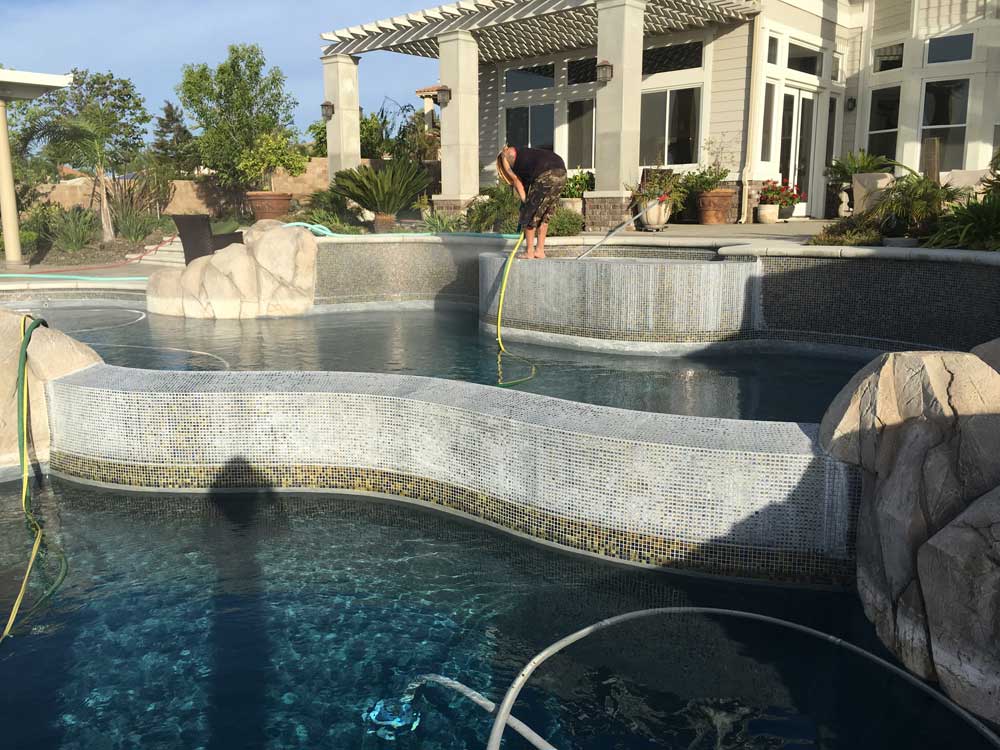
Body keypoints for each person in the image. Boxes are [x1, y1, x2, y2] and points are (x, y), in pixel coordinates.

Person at [496, 145, 567, 259]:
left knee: (529, 215)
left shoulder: (512, 161)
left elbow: (516, 181)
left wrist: (526, 205)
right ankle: (540, 251)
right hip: (561, 172)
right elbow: (524, 185)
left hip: (546, 173)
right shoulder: (526, 156)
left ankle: (529, 251)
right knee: (544, 215)